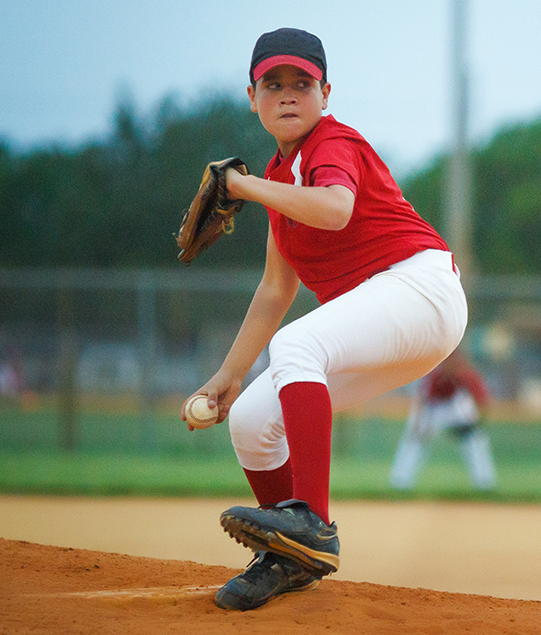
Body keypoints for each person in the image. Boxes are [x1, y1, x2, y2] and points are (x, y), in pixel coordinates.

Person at [180, 27, 467, 611]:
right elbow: (274, 288)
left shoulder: (331, 143)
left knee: (296, 347)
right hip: (397, 319)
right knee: (253, 421)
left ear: (326, 93)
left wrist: (244, 186)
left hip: (420, 288)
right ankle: (291, 557)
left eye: (302, 83)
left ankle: (311, 522)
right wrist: (228, 375)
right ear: (252, 97)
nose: (288, 95)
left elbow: (337, 210)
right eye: (273, 83)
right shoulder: (280, 177)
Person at [390, 348, 496, 491]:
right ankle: (400, 482)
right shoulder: (435, 374)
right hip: (433, 408)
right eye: (447, 360)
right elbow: (423, 401)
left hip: (455, 407)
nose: (449, 363)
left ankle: (484, 484)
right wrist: (418, 426)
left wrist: (475, 425)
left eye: (453, 360)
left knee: (476, 440)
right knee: (414, 440)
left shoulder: (466, 374)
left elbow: (482, 402)